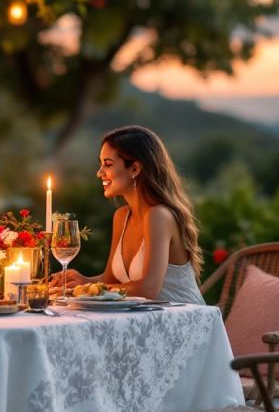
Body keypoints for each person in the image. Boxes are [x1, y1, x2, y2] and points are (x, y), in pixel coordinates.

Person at [51, 125, 206, 305]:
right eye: (101, 164)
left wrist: (86, 290)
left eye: (108, 164)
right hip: (146, 318)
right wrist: (84, 281)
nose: (99, 172)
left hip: (184, 320)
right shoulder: (122, 216)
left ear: (134, 169)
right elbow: (111, 280)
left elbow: (148, 290)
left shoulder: (159, 216)